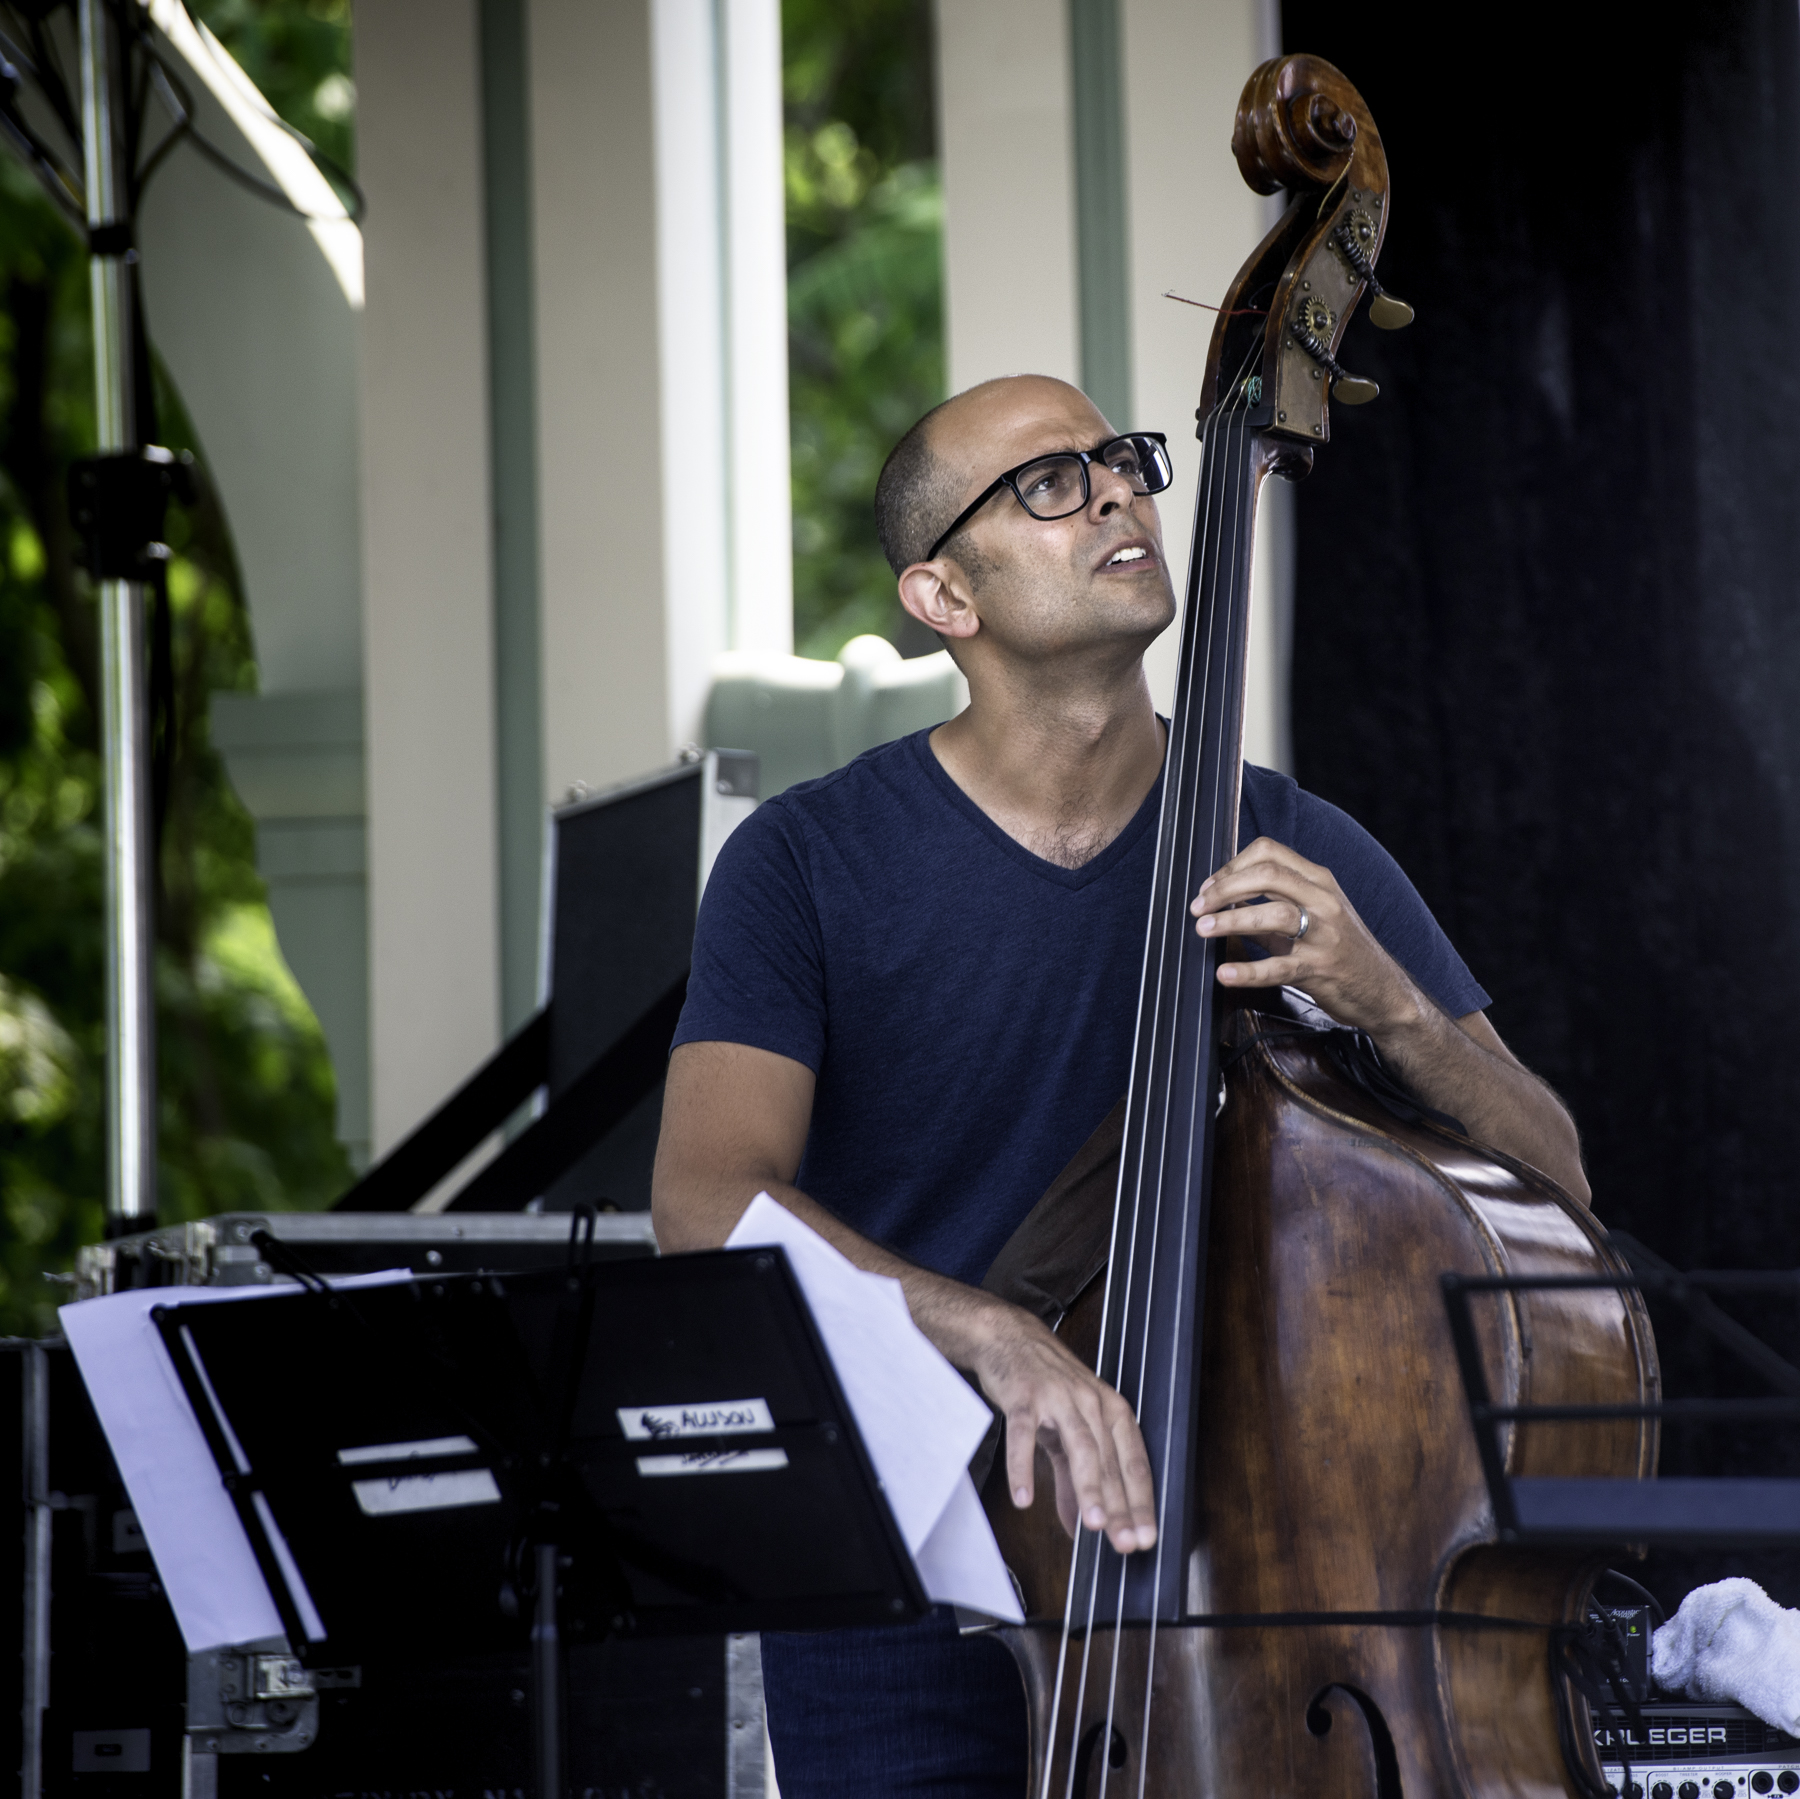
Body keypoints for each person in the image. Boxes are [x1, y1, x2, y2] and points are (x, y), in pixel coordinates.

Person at [650, 374, 1588, 1796]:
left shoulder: (1292, 837)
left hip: (1237, 1559)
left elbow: (1559, 1178)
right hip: (909, 1566)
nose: (1114, 491)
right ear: (943, 597)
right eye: (1046, 482)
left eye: (1121, 461)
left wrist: (1385, 1000)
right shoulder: (803, 864)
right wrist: (992, 1334)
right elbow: (704, 1204)